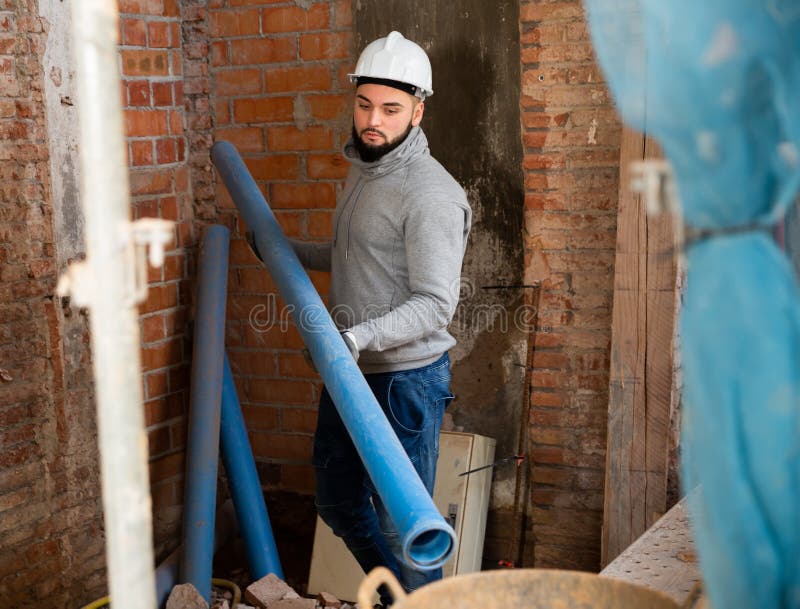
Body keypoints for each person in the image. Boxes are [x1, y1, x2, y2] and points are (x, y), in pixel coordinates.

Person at [251, 30, 471, 607]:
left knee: (407, 528)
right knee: (337, 502)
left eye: (391, 109)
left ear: (418, 111)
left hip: (402, 379)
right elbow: (358, 253)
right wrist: (286, 248)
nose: (374, 120)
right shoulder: (368, 168)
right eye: (365, 104)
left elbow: (434, 304)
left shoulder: (430, 194)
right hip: (350, 367)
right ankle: (399, 599)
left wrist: (355, 336)